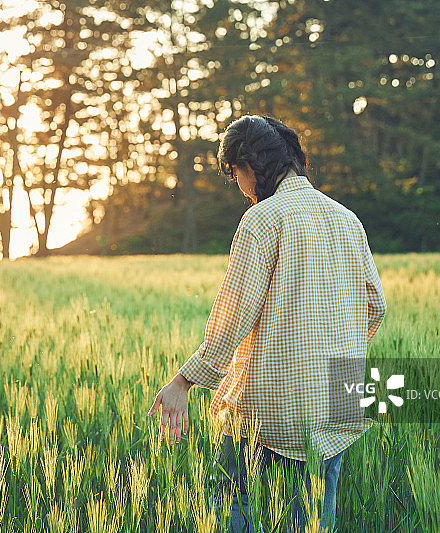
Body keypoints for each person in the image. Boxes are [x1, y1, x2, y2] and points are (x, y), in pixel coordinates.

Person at [147, 114, 387, 531]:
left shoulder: (262, 220)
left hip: (272, 414)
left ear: (249, 166)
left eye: (236, 174)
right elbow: (375, 306)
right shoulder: (348, 219)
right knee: (314, 518)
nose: (241, 189)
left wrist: (183, 381)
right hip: (339, 404)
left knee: (232, 502)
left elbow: (231, 319)